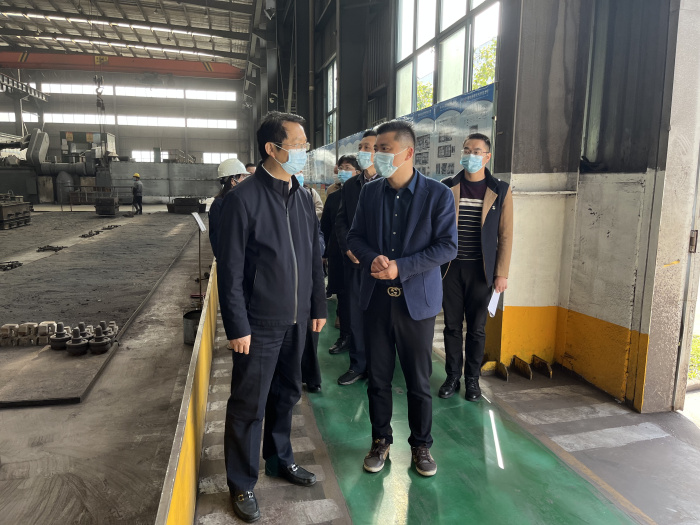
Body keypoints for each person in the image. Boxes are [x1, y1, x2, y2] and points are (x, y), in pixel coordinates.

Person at [216, 111, 326, 523]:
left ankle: (280, 459)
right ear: (272, 148)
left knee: (287, 394)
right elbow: (230, 270)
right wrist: (237, 325)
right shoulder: (242, 199)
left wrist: (317, 306)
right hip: (258, 323)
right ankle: (242, 482)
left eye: (305, 145)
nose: (304, 152)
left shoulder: (302, 195)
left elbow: (313, 258)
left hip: (297, 319)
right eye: (297, 145)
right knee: (249, 404)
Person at [347, 120, 457, 477]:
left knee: (418, 380)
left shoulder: (438, 195)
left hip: (416, 303)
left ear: (408, 152)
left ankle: (421, 445)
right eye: (375, 149)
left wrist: (402, 267)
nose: (376, 155)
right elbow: (355, 237)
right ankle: (380, 440)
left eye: (384, 149)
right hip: (377, 301)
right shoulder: (370, 193)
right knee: (378, 378)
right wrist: (372, 258)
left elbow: (447, 246)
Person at [439, 133, 513, 401]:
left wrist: (501, 273)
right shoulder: (448, 186)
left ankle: (472, 380)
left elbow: (506, 235)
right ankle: (452, 377)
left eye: (477, 151)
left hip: (481, 272)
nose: (470, 155)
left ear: (487, 156)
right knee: (451, 326)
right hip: (451, 269)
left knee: (477, 329)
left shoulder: (500, 190)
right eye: (467, 150)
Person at [334, 129, 379, 384]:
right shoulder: (351, 186)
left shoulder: (390, 182)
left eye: (368, 147)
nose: (363, 151)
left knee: (380, 318)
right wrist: (348, 248)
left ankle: (378, 368)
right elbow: (341, 221)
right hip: (355, 263)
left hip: (381, 265)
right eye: (361, 147)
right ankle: (358, 364)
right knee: (356, 315)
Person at [321, 156, 360, 358]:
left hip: (362, 258)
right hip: (339, 253)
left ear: (358, 172)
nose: (343, 171)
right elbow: (326, 227)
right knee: (343, 298)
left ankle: (363, 339)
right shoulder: (334, 197)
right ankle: (345, 337)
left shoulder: (367, 194)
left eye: (348, 168)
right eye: (341, 168)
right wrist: (324, 254)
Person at [209, 158, 248, 259]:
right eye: (243, 177)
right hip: (229, 259)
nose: (245, 180)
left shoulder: (236, 202)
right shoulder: (219, 205)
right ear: (233, 181)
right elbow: (222, 239)